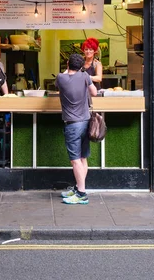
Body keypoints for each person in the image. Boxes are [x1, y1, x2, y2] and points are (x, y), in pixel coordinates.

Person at [55, 53, 97, 205]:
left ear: (67, 63)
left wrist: (69, 69)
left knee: (75, 161)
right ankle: (79, 188)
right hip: (85, 121)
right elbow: (94, 92)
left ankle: (81, 194)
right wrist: (82, 73)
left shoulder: (61, 77)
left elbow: (63, 78)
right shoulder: (85, 76)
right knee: (83, 158)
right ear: (81, 66)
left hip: (72, 125)